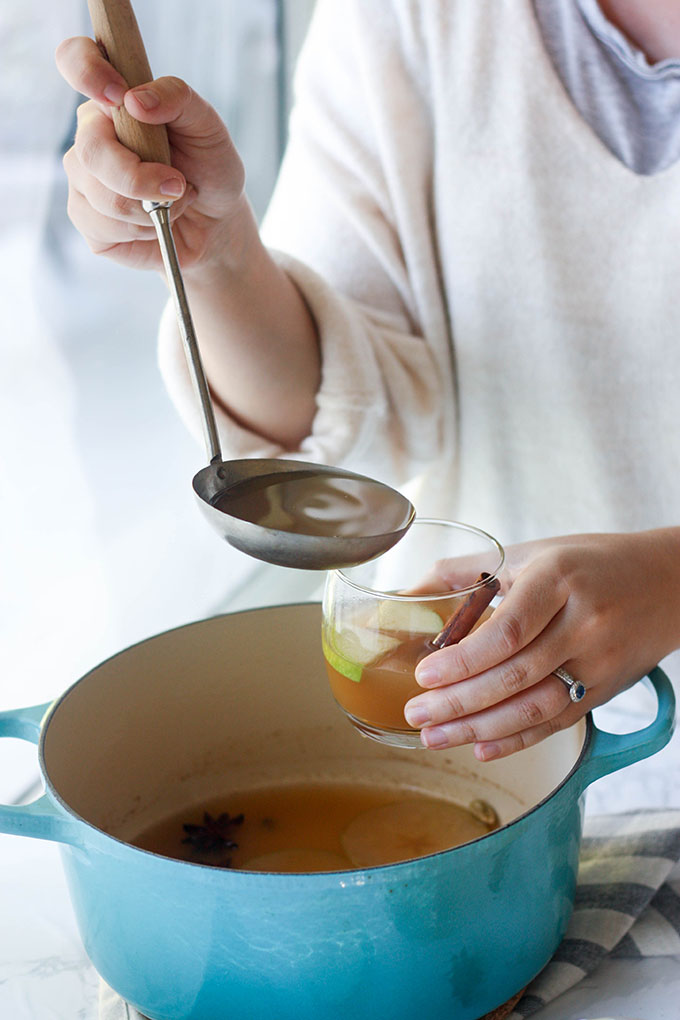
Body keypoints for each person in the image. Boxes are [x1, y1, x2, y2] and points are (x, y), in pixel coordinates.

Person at [56, 0, 680, 766]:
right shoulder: (405, 15)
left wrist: (670, 579)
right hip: (489, 753)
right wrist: (217, 258)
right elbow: (348, 422)